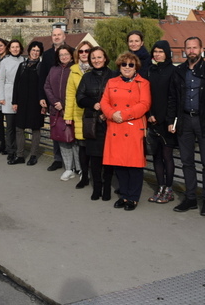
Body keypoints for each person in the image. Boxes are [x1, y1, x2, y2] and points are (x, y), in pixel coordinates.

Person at [166, 36, 205, 216]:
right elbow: (173, 98)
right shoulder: (179, 71)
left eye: (194, 48)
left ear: (201, 49)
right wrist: (170, 121)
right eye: (188, 48)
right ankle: (190, 198)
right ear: (184, 50)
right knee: (187, 161)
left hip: (203, 120)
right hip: (184, 120)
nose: (191, 51)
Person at [101, 52, 151, 211]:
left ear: (136, 66)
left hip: (133, 126)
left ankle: (133, 197)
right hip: (115, 125)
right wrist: (110, 114)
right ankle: (124, 195)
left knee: (134, 165)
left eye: (131, 65)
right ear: (119, 66)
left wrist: (122, 115)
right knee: (119, 164)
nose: (127, 67)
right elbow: (104, 101)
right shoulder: (111, 82)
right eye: (124, 64)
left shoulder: (142, 83)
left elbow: (144, 104)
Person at [76, 46, 116, 200]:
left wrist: (108, 111)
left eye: (99, 57)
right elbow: (80, 98)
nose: (96, 60)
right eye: (93, 58)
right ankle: (97, 187)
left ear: (105, 58)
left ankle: (107, 187)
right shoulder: (86, 77)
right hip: (92, 121)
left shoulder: (114, 75)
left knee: (109, 157)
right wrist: (93, 103)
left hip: (109, 122)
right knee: (94, 157)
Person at [144, 40, 178, 204]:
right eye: (155, 51)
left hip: (167, 121)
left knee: (167, 156)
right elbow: (146, 95)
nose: (157, 54)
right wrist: (149, 114)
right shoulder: (151, 70)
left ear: (167, 53)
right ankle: (160, 187)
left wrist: (168, 119)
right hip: (152, 120)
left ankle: (169, 189)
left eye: (160, 51)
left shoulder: (174, 71)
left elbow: (173, 98)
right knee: (156, 156)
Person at [45, 44, 80, 181]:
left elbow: (78, 89)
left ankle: (79, 168)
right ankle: (68, 168)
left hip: (72, 109)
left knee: (75, 140)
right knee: (62, 139)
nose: (64, 57)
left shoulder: (75, 69)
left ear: (71, 55)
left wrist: (64, 104)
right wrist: (55, 102)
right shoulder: (53, 69)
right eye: (61, 55)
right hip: (57, 110)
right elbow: (47, 86)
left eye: (66, 54)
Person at [10, 41, 45, 165]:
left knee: (35, 128)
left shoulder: (42, 67)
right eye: (33, 50)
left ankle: (33, 155)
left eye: (37, 51)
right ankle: (20, 155)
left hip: (36, 103)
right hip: (22, 101)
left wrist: (44, 103)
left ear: (40, 53)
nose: (35, 53)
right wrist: (14, 101)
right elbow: (16, 84)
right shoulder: (22, 65)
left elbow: (44, 86)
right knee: (19, 128)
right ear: (29, 51)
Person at [65, 40, 93, 189]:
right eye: (81, 51)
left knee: (94, 147)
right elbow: (69, 95)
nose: (84, 54)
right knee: (82, 147)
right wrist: (68, 116)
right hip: (78, 113)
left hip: (94, 114)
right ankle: (84, 176)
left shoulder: (98, 68)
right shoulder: (74, 70)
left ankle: (96, 175)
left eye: (87, 51)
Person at [40, 27, 66, 171]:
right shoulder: (47, 54)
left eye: (59, 35)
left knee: (69, 129)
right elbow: (42, 77)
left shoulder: (72, 51)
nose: (56, 37)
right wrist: (42, 97)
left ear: (64, 36)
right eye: (54, 35)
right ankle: (57, 159)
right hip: (52, 99)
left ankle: (71, 161)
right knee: (55, 129)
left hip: (68, 99)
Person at [0, 39, 24, 163]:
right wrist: (1, 97)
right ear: (9, 48)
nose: (15, 49)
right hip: (8, 94)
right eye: (13, 47)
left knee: (20, 126)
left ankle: (20, 151)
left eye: (17, 47)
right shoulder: (5, 61)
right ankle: (10, 150)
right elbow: (1, 80)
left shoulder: (24, 61)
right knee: (10, 127)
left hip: (21, 95)